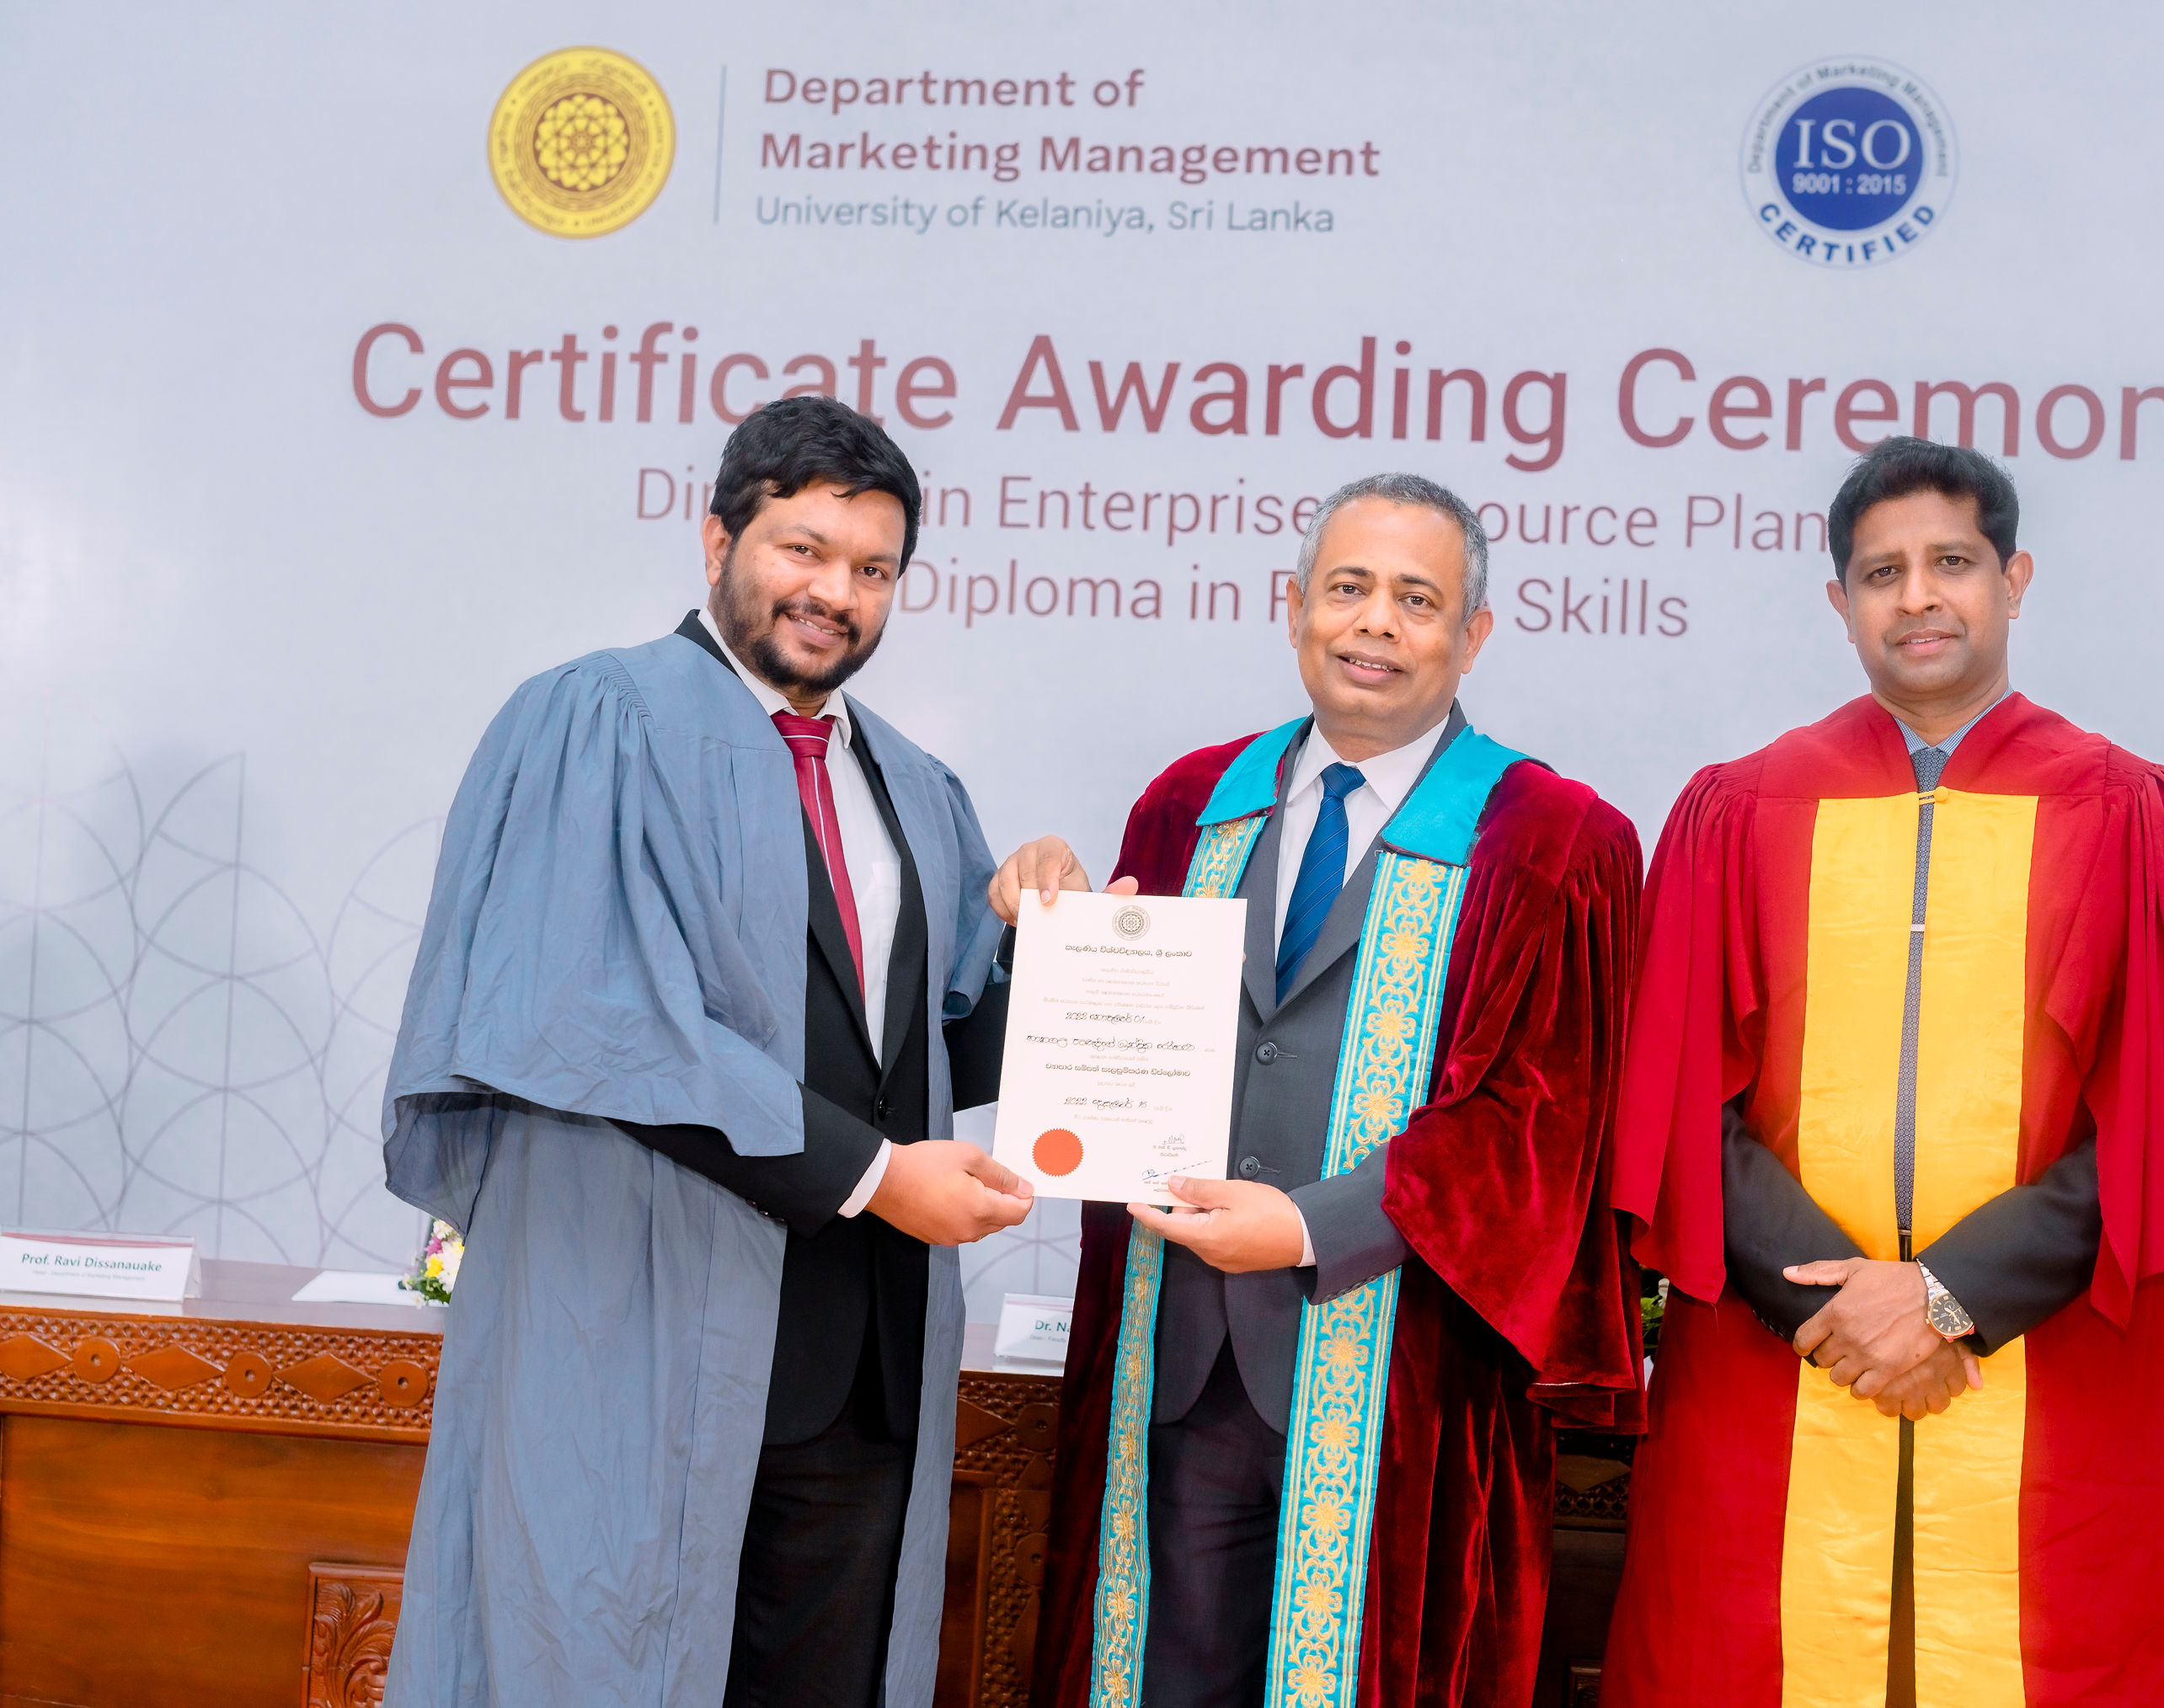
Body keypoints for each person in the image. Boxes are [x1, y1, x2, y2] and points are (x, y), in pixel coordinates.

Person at [382, 395, 1040, 1708]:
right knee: (597, 1665)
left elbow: (944, 1045)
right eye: (804, 549)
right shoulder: (595, 718)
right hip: (639, 1326)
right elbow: (589, 1016)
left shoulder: (913, 785)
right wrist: (875, 1176)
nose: (836, 593)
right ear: (716, 539)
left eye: (873, 569)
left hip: (859, 1366)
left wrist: (1071, 951)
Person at [1606, 438, 2164, 1706]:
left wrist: (1948, 1297)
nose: (1918, 597)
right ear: (1839, 601)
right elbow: (1682, 1103)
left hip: (2062, 1360)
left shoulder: (2132, 813)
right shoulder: (1736, 812)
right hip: (1787, 1352)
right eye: (1882, 572)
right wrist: (1846, 1309)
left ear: (2013, 581)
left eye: (1952, 563)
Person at [1000, 473, 1644, 1708]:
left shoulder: (1553, 839)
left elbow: (1540, 1120)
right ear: (1293, 606)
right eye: (1348, 588)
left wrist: (1307, 1227)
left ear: (1474, 635)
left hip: (1406, 1383)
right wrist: (1043, 933)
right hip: (1176, 1364)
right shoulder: (1191, 805)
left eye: (1417, 599)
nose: (1375, 623)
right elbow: (1114, 1042)